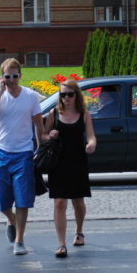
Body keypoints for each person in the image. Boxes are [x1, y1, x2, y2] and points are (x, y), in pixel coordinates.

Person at [0, 58, 43, 256]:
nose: (11, 80)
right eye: (7, 76)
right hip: (1, 152)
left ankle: (20, 239)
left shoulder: (30, 96)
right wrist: (0, 92)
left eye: (15, 76)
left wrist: (39, 148)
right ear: (2, 77)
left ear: (20, 76)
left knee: (23, 198)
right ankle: (11, 220)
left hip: (23, 153)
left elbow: (38, 124)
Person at [43, 79, 96, 258]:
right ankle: (61, 244)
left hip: (78, 161)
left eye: (70, 94)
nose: (66, 98)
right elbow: (42, 135)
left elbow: (91, 136)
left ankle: (79, 232)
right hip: (58, 162)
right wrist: (49, 135)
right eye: (63, 94)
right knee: (59, 202)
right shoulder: (54, 113)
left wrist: (91, 144)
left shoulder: (84, 114)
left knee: (78, 201)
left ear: (76, 95)